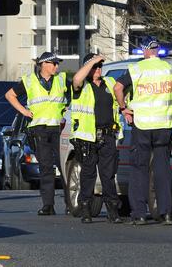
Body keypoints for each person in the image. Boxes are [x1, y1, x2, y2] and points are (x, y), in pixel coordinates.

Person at [113, 36, 172, 225]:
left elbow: (118, 87)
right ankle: (166, 213)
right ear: (158, 50)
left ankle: (140, 214)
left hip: (142, 124)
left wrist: (123, 107)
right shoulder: (171, 68)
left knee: (139, 169)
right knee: (162, 169)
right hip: (164, 125)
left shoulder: (136, 69)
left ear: (144, 50)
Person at [5, 52, 68, 216]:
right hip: (39, 128)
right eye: (54, 63)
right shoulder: (29, 80)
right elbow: (9, 95)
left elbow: (74, 96)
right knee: (46, 167)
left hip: (58, 128)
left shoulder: (61, 80)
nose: (57, 66)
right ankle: (48, 205)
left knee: (64, 166)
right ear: (44, 64)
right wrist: (24, 111)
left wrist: (68, 110)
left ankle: (71, 204)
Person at [70, 53, 123, 224]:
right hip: (87, 138)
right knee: (88, 174)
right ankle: (85, 208)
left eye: (100, 66)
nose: (98, 69)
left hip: (107, 135)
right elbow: (77, 79)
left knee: (108, 175)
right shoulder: (82, 86)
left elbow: (122, 96)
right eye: (94, 67)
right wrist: (92, 61)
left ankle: (112, 210)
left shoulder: (109, 83)